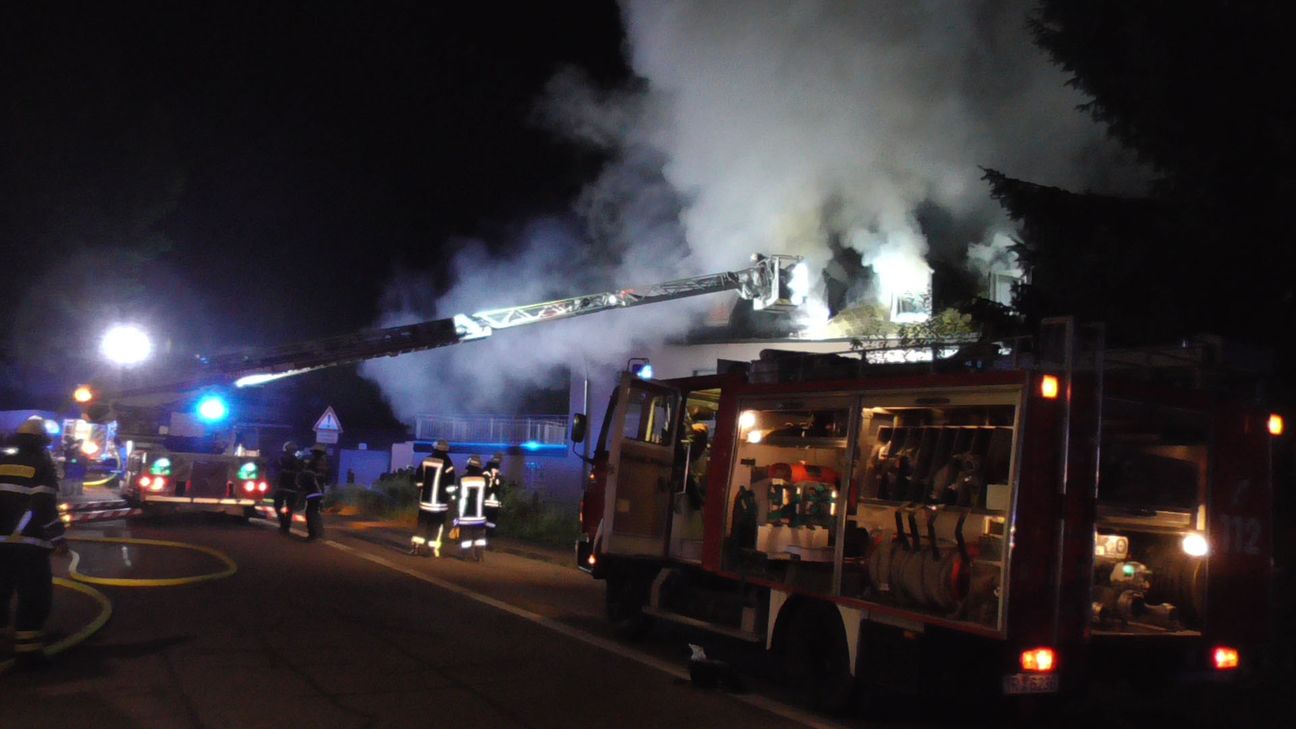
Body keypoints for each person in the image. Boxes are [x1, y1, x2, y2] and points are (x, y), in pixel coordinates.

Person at [1, 417, 68, 669]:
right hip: (27, 543)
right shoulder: (42, 465)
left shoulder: (3, 462)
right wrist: (58, 539)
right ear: (43, 443)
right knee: (34, 596)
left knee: (0, 590)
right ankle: (28, 654)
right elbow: (43, 507)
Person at [411, 441, 455, 557]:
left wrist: (421, 489)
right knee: (435, 526)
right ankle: (431, 550)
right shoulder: (448, 463)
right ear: (446, 450)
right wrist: (448, 496)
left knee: (422, 525)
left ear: (434, 448)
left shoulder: (426, 460)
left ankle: (416, 547)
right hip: (440, 504)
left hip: (425, 501)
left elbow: (418, 478)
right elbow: (450, 484)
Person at [455, 455, 488, 560]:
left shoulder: (462, 478)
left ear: (468, 465)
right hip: (479, 514)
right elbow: (487, 494)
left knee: (465, 537)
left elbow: (458, 495)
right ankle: (479, 555)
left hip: (466, 514)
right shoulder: (484, 479)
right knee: (479, 537)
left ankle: (465, 555)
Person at [296, 444, 329, 540]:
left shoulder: (313, 463)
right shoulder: (325, 464)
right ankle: (320, 533)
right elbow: (327, 478)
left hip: (312, 490)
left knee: (310, 513)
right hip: (320, 490)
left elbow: (306, 476)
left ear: (315, 453)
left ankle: (313, 535)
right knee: (315, 512)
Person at [272, 441, 302, 534]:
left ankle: (284, 524)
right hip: (290, 487)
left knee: (279, 506)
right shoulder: (296, 461)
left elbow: (274, 469)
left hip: (284, 487)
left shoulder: (281, 459)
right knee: (289, 508)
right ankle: (285, 525)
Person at [482, 452, 503, 541]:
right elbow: (497, 486)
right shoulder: (496, 472)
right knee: (491, 517)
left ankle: (486, 532)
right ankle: (489, 533)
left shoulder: (485, 470)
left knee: (487, 517)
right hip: (491, 499)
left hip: (487, 499)